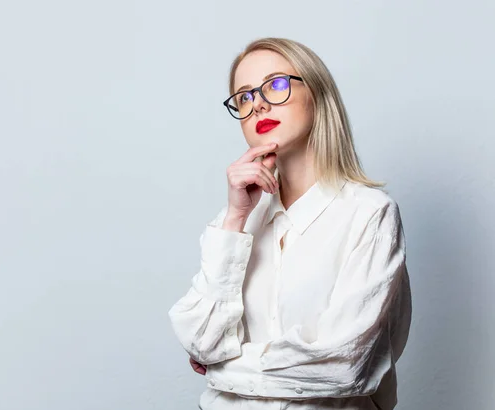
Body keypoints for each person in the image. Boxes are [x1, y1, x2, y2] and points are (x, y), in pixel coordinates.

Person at [167, 37, 412, 410]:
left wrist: (221, 372)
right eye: (244, 97)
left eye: (276, 85)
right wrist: (235, 217)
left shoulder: (369, 214)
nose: (258, 104)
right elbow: (201, 342)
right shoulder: (236, 222)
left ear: (317, 93)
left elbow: (344, 366)